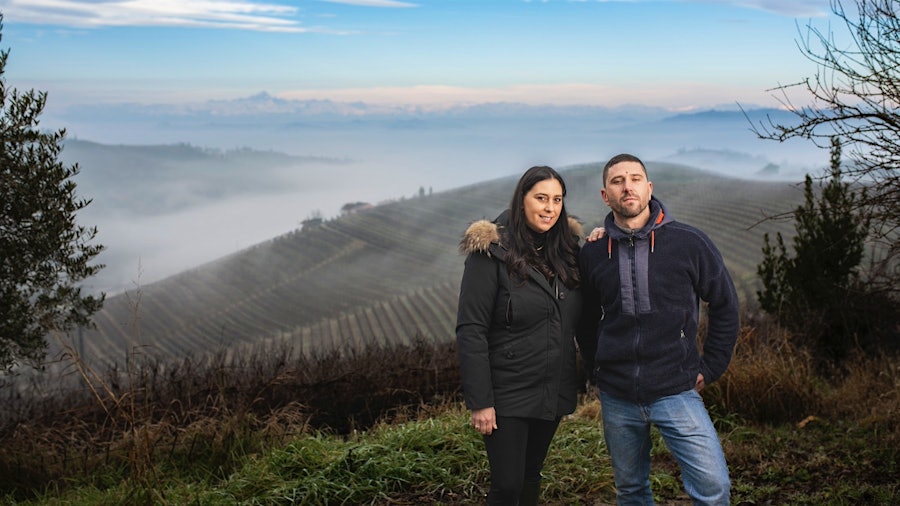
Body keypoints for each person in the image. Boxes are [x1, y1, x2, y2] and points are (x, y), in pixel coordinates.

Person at [577, 153, 740, 506]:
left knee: (714, 489)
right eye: (617, 181)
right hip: (617, 394)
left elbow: (725, 304)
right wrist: (598, 367)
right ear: (605, 195)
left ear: (649, 188)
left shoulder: (689, 243)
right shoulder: (592, 253)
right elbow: (586, 320)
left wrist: (710, 366)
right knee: (632, 491)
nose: (627, 186)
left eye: (635, 178)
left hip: (676, 389)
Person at [456, 165, 585, 505]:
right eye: (541, 198)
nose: (549, 208)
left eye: (557, 200)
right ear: (521, 200)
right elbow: (471, 330)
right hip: (507, 390)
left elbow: (584, 319)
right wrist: (481, 401)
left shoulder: (569, 252)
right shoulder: (491, 253)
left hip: (553, 387)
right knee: (508, 485)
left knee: (530, 476)